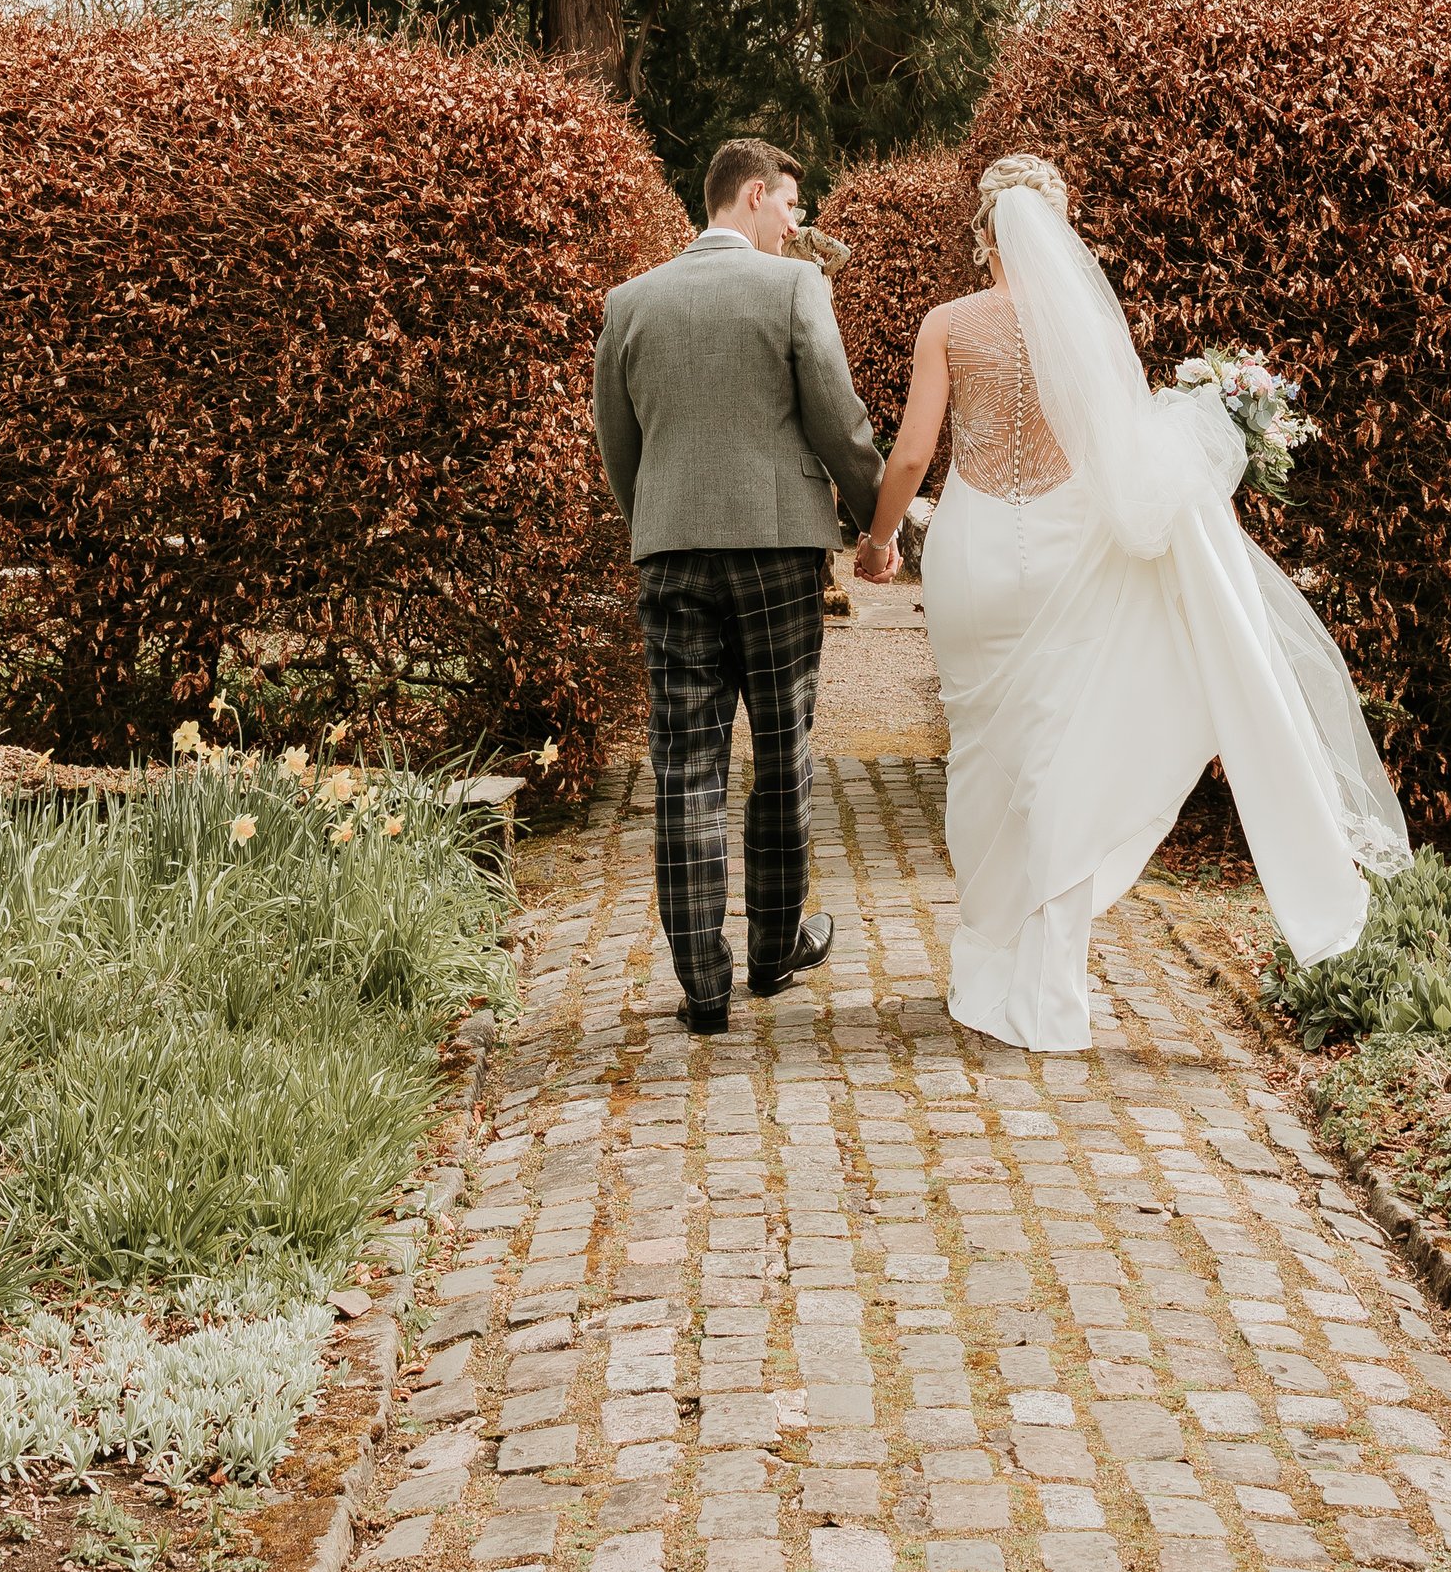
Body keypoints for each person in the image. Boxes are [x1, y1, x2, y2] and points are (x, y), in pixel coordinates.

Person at [857, 152, 1410, 1053]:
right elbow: (1120, 456)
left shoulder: (948, 324)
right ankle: (1049, 984)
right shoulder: (1087, 333)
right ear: (1059, 229)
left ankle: (990, 950)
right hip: (1071, 554)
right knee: (1059, 757)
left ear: (984, 233)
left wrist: (878, 541)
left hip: (976, 552)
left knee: (985, 752)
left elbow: (914, 458)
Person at [594, 135, 883, 1034]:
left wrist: (658, 523)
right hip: (777, 553)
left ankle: (702, 987)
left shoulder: (630, 302)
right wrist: (876, 514)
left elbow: (617, 443)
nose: (799, 226)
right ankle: (773, 951)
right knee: (783, 752)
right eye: (792, 206)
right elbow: (839, 421)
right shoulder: (795, 289)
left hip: (672, 553)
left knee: (684, 768)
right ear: (753, 196)